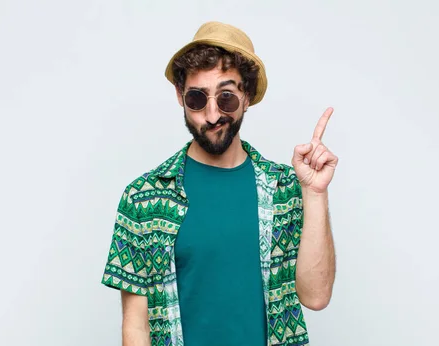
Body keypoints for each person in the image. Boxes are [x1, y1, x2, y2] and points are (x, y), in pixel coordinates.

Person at [100, 21, 338, 346]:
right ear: (179, 95)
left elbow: (316, 297)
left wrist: (314, 193)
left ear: (248, 95)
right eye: (197, 99)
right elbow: (136, 326)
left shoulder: (284, 188)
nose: (212, 115)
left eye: (226, 98)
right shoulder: (143, 199)